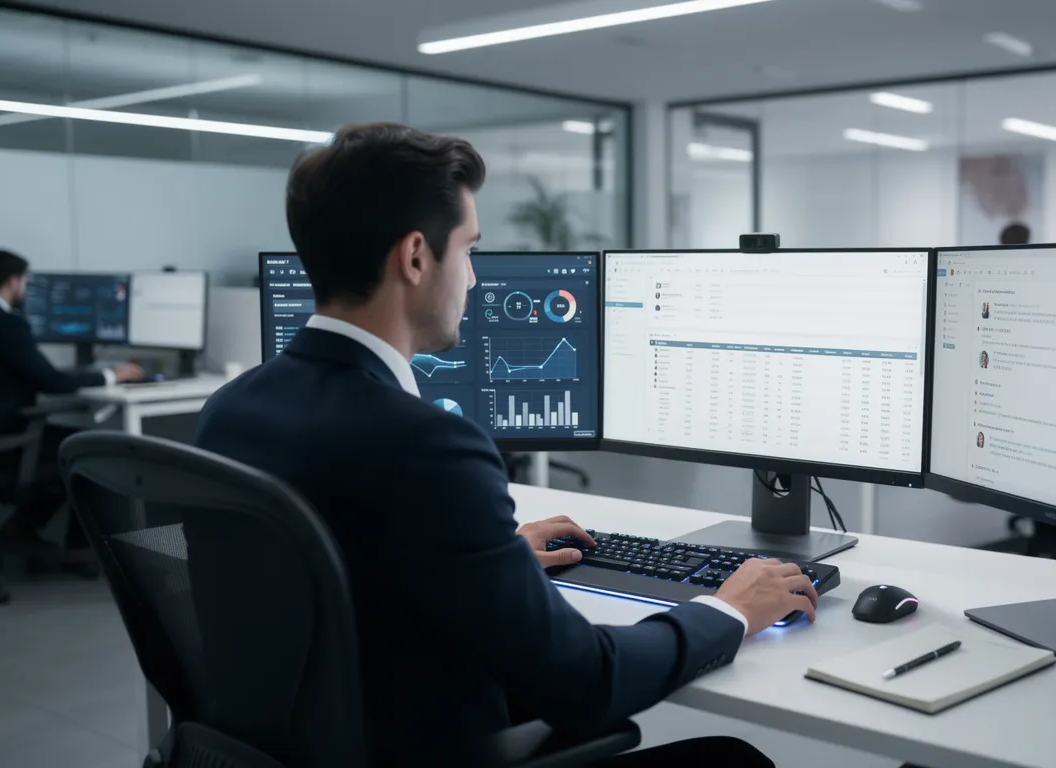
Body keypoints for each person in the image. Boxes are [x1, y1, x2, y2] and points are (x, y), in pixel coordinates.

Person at [195, 123, 808, 767]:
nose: (473, 279)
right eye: (468, 250)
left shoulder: (229, 411)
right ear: (414, 257)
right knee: (734, 759)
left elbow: (343, 572)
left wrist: (489, 561)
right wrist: (728, 611)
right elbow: (587, 682)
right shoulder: (429, 446)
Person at [0, 250, 145, 603]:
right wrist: (112, 374)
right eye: (24, 282)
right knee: (89, 446)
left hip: (2, 437)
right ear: (13, 281)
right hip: (6, 443)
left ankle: (22, 526)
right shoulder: (6, 324)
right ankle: (79, 548)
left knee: (67, 443)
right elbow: (51, 381)